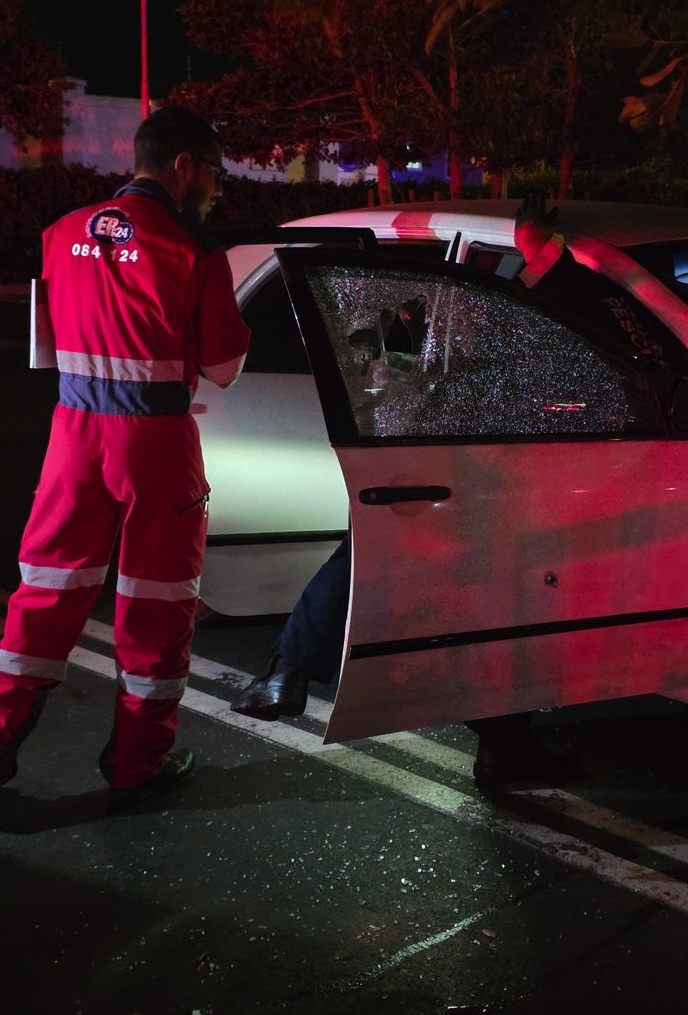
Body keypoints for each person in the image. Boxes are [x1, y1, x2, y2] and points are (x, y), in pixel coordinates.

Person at [230, 198, 599, 787]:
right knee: (493, 600)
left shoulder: (418, 304)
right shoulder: (466, 311)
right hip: (478, 472)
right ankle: (503, 746)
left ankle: (289, 667)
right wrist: (541, 245)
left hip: (427, 461)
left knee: (382, 560)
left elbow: (379, 371)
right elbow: (574, 314)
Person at [0, 106, 250, 810]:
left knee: (44, 593)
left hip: (75, 435)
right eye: (214, 173)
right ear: (183, 165)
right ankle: (138, 764)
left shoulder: (58, 235)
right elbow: (226, 366)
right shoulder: (193, 251)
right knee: (156, 606)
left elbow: (44, 350)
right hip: (156, 447)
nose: (216, 189)